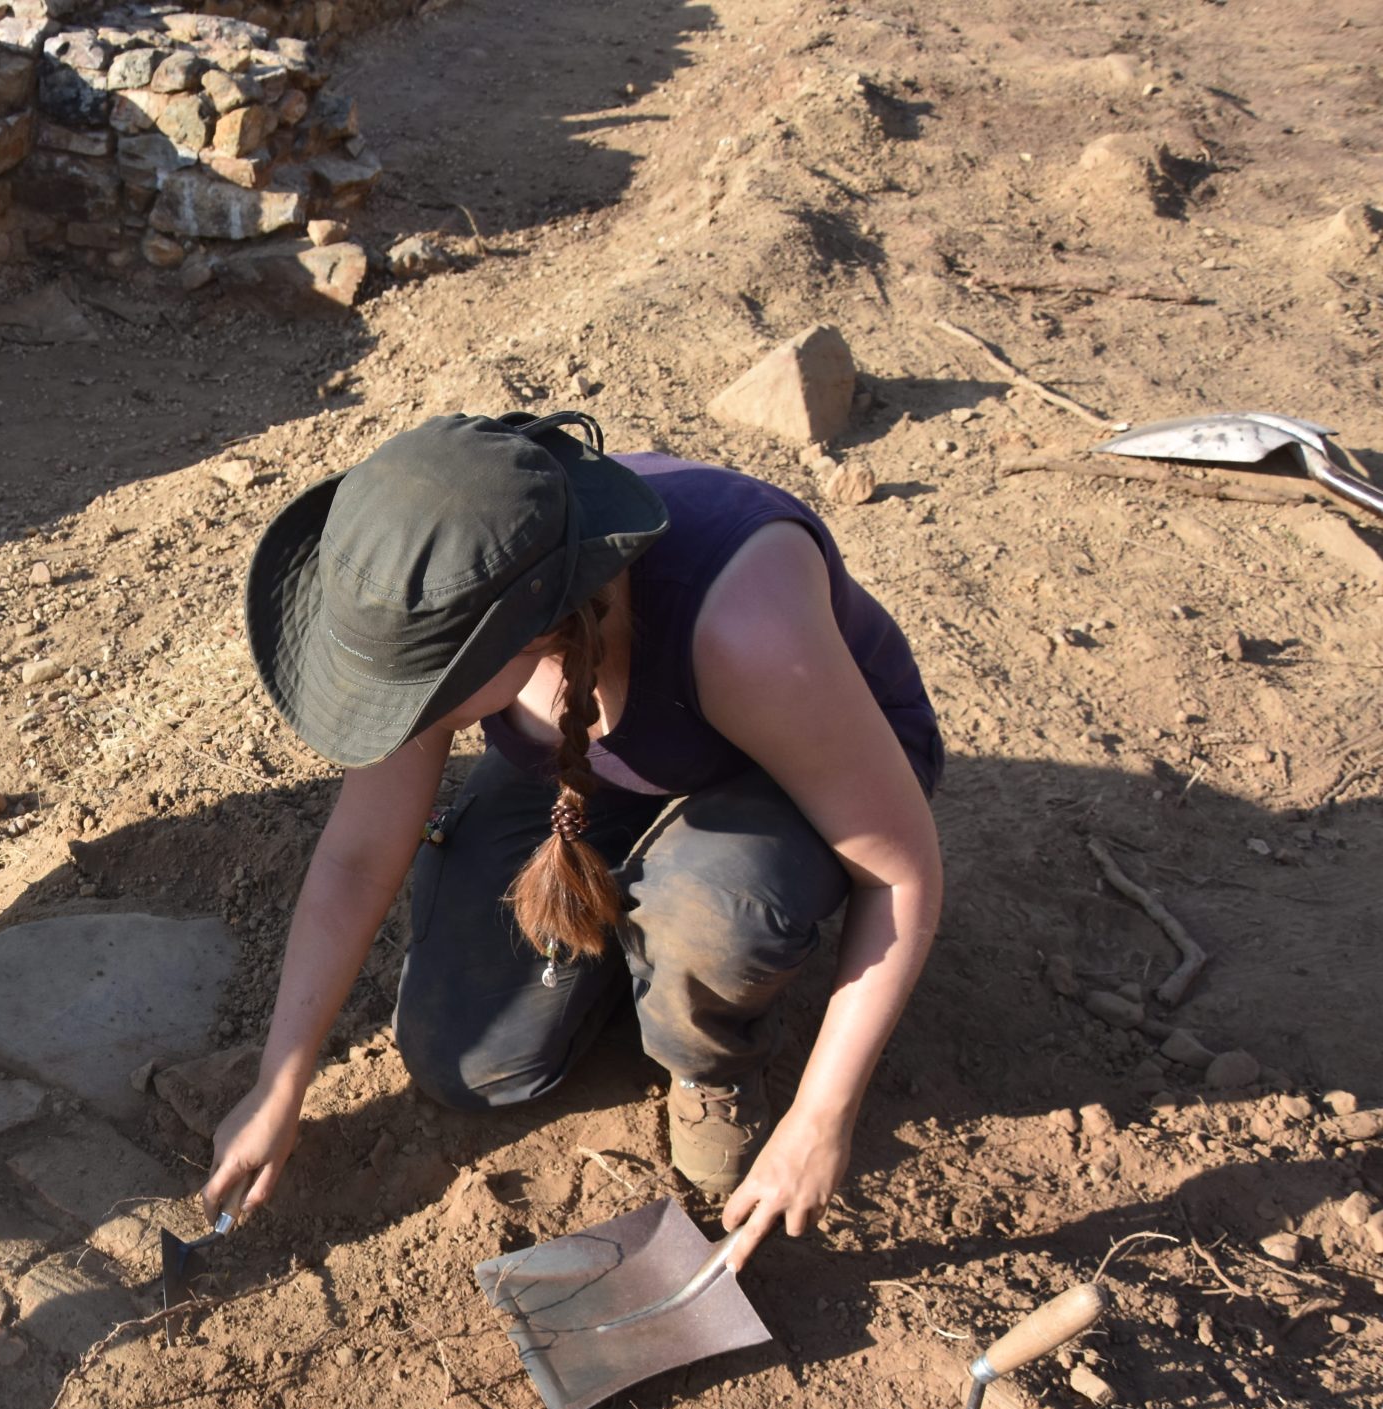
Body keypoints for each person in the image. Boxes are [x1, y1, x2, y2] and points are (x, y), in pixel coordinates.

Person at [202, 412, 942, 1266]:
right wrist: (278, 1083)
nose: (401, 712)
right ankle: (633, 945)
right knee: (469, 1066)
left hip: (798, 763)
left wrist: (822, 1117)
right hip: (603, 762)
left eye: (418, 690)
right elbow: (359, 854)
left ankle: (709, 1050)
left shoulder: (741, 622)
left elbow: (903, 870)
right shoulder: (442, 605)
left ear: (536, 636)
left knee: (713, 908)